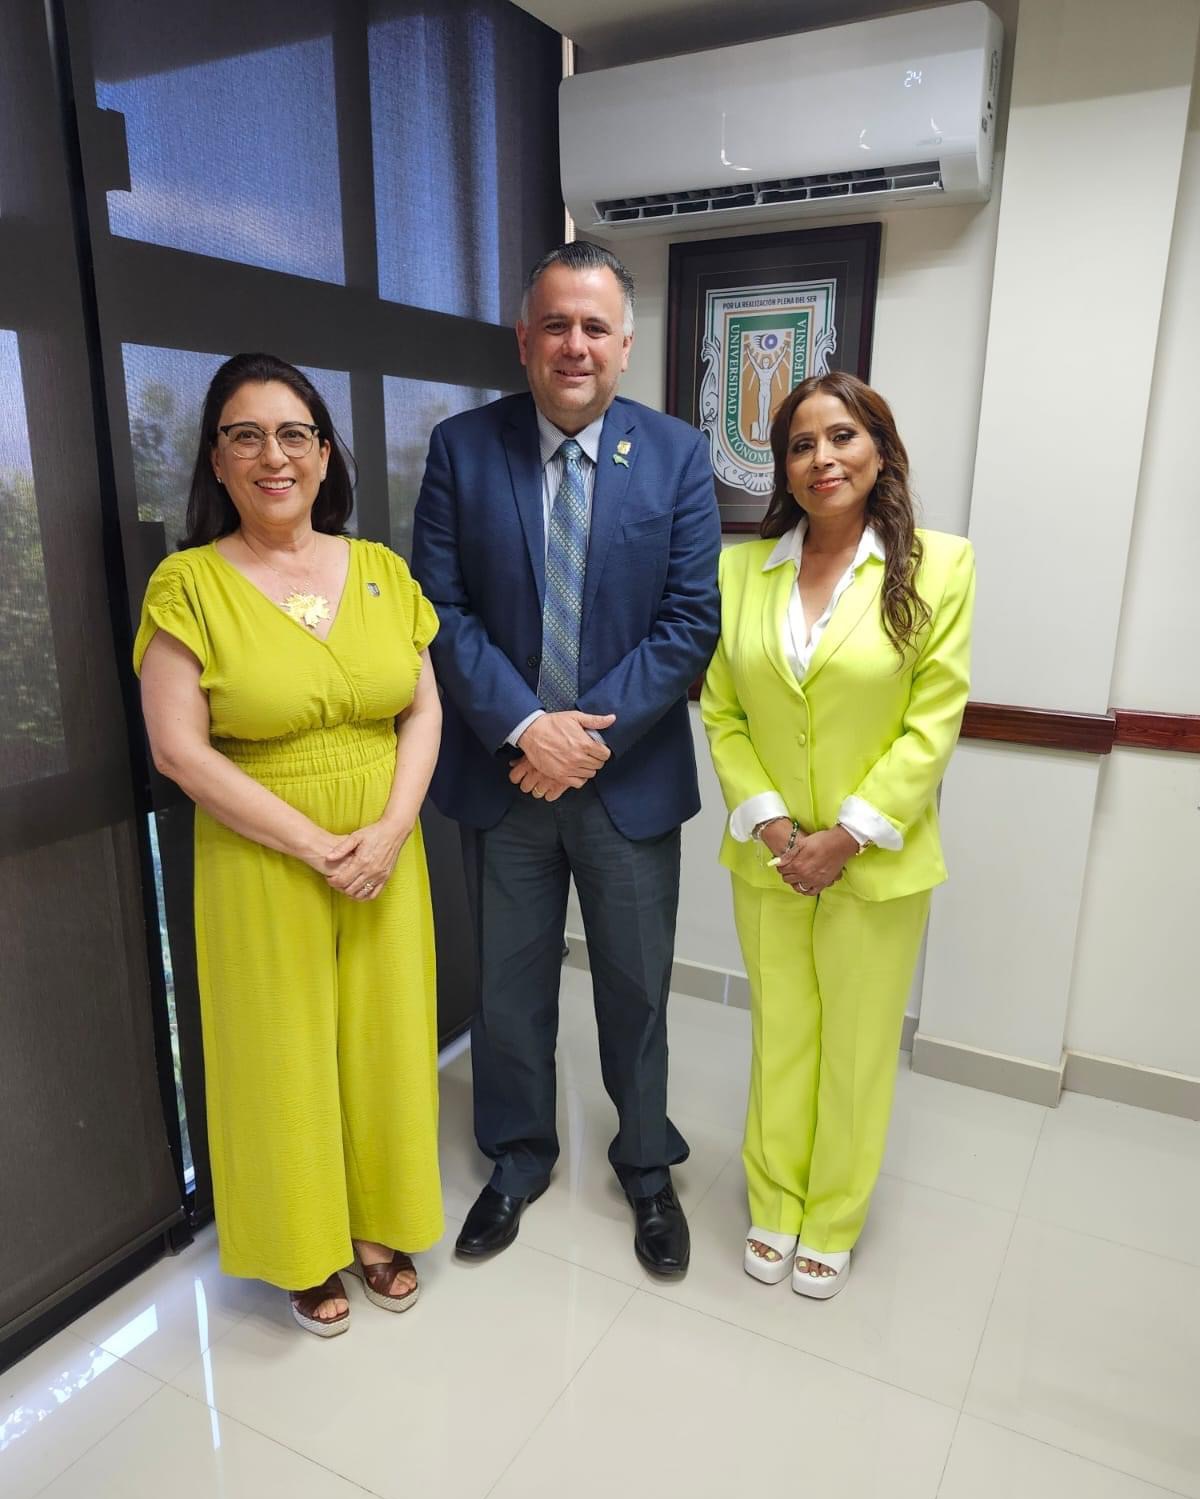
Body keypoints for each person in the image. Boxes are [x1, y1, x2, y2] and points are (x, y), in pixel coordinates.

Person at [412, 241, 721, 1276]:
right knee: (508, 991)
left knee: (636, 990)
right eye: (556, 324)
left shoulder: (677, 455)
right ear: (524, 339)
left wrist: (581, 741)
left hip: (625, 784)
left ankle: (646, 1165)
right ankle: (518, 1156)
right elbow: (440, 608)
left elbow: (689, 621)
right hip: (504, 781)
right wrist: (523, 726)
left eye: (595, 326)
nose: (574, 344)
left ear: (626, 344)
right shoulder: (462, 449)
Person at [135, 353, 444, 1336]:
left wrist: (389, 830)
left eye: (294, 434)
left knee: (386, 1036)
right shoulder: (187, 584)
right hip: (260, 849)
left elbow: (424, 709)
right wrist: (318, 845)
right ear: (217, 460)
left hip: (387, 843)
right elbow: (178, 751)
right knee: (280, 1049)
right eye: (247, 435)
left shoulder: (383, 570)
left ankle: (379, 1225)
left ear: (324, 454)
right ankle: (303, 1248)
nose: (274, 456)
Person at [700, 371, 974, 1298]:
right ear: (782, 467)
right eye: (801, 444)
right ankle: (775, 1199)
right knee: (781, 1033)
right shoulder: (741, 571)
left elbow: (932, 723)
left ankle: (832, 1216)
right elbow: (724, 712)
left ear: (881, 451)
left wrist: (846, 837)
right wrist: (779, 829)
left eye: (843, 436)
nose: (823, 458)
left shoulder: (939, 567)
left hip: (876, 861)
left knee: (855, 1047)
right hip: (770, 857)